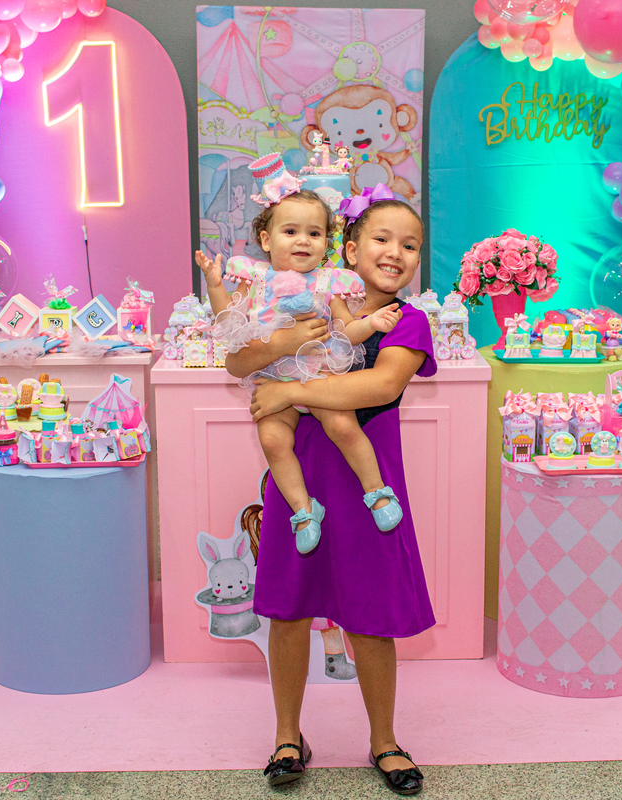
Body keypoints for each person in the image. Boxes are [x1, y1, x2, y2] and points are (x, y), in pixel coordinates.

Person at [231, 191, 433, 795]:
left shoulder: (406, 320)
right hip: (301, 490)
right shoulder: (297, 300)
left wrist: (291, 392)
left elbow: (378, 386)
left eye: (409, 245)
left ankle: (384, 741)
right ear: (348, 249)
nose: (394, 253)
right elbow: (240, 360)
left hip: (369, 490)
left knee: (370, 617)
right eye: (381, 239)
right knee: (289, 610)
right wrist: (280, 350)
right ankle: (287, 737)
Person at [196, 182, 404, 556]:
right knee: (273, 440)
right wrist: (214, 286)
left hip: (318, 376)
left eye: (314, 233)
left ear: (327, 243)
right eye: (290, 231)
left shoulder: (327, 283)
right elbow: (230, 322)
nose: (303, 241)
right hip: (272, 379)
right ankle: (304, 511)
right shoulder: (255, 281)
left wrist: (371, 324)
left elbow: (345, 332)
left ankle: (376, 491)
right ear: (266, 238)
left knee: (343, 426)